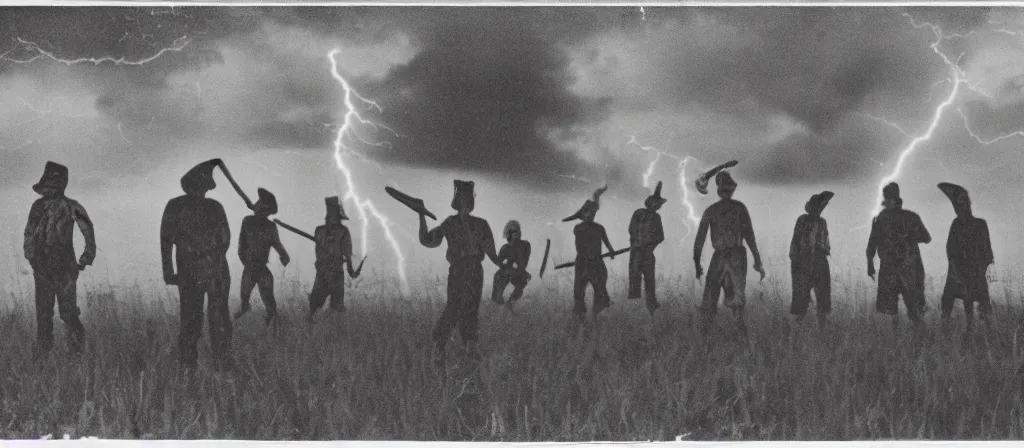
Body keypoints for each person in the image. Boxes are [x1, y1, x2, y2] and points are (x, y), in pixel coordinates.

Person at [160, 159, 234, 371]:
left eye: (202, 186)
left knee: (219, 317)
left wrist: (210, 256)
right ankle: (188, 365)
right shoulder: (175, 206)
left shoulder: (215, 207)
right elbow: (166, 239)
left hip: (216, 271)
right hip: (190, 271)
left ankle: (223, 362)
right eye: (196, 185)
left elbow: (225, 238)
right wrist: (168, 270)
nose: (199, 190)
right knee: (191, 319)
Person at [420, 180, 500, 365]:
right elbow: (428, 240)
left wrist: (510, 263)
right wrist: (421, 215)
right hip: (458, 269)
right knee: (454, 307)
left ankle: (470, 349)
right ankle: (439, 346)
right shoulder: (450, 223)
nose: (465, 201)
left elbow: (492, 254)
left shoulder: (481, 224)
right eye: (462, 197)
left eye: (467, 197)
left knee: (471, 309)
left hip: (475, 271)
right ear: (458, 199)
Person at [24, 161, 96, 358]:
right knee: (44, 314)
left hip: (65, 267)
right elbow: (29, 234)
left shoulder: (72, 206)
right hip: (42, 267)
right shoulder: (37, 207)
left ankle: (77, 353)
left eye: (55, 184)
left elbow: (87, 230)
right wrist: (32, 259)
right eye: (49, 185)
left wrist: (86, 257)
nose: (51, 189)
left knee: (68, 312)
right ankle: (42, 354)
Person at [693, 170, 765, 335]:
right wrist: (757, 260)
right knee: (734, 303)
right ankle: (737, 338)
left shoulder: (711, 210)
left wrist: (697, 265)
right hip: (735, 257)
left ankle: (718, 338)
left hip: (725, 257)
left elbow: (699, 242)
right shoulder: (739, 208)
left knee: (713, 302)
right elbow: (750, 235)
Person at [866, 182, 931, 324]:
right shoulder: (884, 218)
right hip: (896, 270)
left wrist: (908, 236)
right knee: (891, 313)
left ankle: (918, 339)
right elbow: (873, 242)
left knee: (913, 311)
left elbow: (926, 238)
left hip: (907, 269)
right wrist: (870, 264)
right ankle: (902, 340)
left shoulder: (908, 217)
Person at [937, 182, 993, 332]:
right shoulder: (956, 225)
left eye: (964, 203)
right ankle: (946, 329)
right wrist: (957, 269)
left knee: (982, 303)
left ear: (968, 205)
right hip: (958, 270)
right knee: (948, 301)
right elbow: (950, 249)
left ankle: (987, 332)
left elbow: (987, 252)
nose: (961, 207)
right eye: (959, 204)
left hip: (976, 270)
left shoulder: (980, 224)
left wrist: (980, 269)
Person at [234, 188, 290, 324]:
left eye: (260, 204)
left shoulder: (270, 226)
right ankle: (245, 307)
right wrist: (245, 260)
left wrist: (284, 256)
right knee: (245, 293)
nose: (256, 205)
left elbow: (276, 243)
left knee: (267, 297)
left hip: (260, 268)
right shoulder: (247, 221)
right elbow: (242, 244)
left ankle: (272, 318)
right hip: (250, 266)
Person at [564, 186, 617, 320]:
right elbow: (580, 247)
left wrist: (611, 252)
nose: (591, 215)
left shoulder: (599, 228)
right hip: (583, 263)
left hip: (597, 262)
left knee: (600, 288)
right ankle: (580, 315)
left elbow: (606, 242)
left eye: (593, 213)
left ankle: (596, 313)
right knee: (579, 292)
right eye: (588, 212)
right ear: (583, 215)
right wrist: (587, 261)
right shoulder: (578, 228)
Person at [308, 196, 357, 322]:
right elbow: (347, 253)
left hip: (327, 270)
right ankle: (317, 325)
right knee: (325, 303)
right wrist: (351, 269)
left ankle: (326, 325)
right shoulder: (340, 230)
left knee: (324, 303)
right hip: (331, 271)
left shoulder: (320, 230)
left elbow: (346, 252)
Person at [790, 191, 834, 323]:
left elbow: (826, 243)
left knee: (823, 298)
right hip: (804, 261)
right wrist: (798, 262)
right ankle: (797, 328)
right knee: (802, 298)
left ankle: (822, 328)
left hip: (820, 262)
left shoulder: (822, 222)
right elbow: (796, 242)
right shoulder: (802, 220)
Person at [628, 181, 666, 315]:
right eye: (657, 203)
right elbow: (631, 229)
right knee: (635, 277)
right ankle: (637, 307)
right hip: (637, 251)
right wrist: (636, 243)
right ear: (651, 202)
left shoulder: (656, 217)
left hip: (645, 252)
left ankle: (651, 305)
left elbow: (660, 236)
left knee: (649, 279)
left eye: (659, 204)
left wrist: (649, 246)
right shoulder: (638, 213)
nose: (658, 206)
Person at [491, 220, 532, 308]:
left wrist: (515, 268)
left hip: (519, 272)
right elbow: (499, 261)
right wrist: (506, 267)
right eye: (514, 232)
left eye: (518, 231)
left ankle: (511, 302)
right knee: (498, 279)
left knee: (526, 277)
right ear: (509, 234)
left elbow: (523, 263)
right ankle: (498, 303)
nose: (517, 233)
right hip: (507, 272)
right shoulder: (505, 248)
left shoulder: (525, 245)